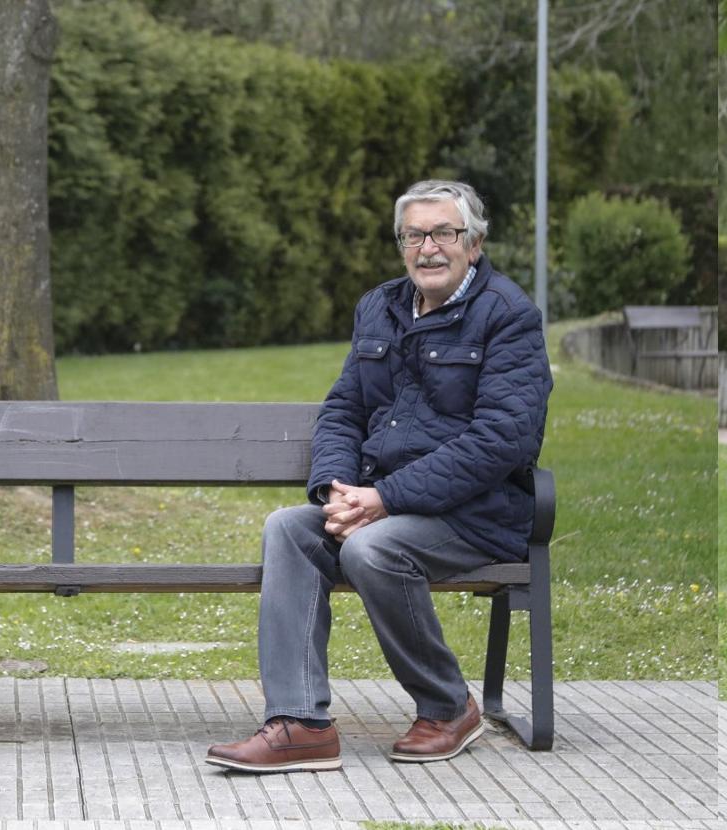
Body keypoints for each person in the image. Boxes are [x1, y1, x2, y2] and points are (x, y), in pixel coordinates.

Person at [206, 180, 552, 773]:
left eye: (444, 232)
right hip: (379, 503)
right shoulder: (379, 307)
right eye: (413, 235)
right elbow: (343, 409)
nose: (429, 248)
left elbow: (501, 441)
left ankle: (448, 707)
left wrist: (385, 499)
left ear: (474, 242)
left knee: (372, 548)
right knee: (289, 528)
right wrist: (338, 489)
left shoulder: (509, 316)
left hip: (477, 514)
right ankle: (300, 723)